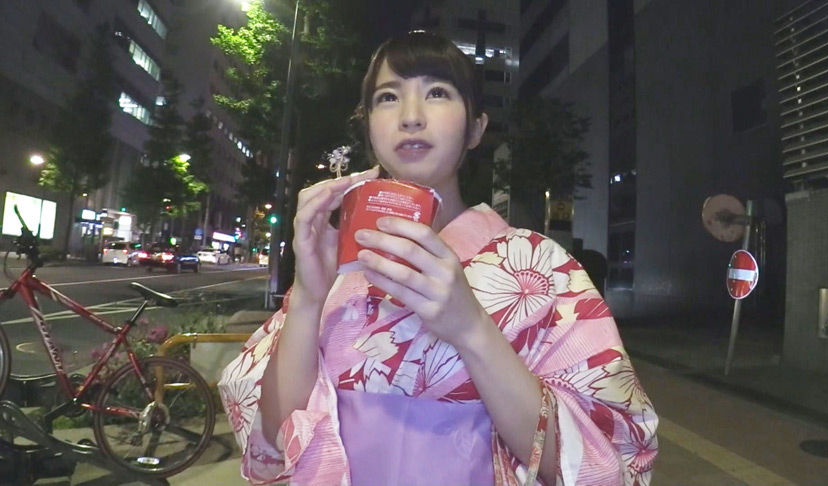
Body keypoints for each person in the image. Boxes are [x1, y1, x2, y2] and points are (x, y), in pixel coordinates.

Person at [219, 31, 658, 486]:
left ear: (476, 129)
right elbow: (276, 441)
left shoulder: (542, 267)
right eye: (388, 98)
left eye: (437, 93)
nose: (410, 116)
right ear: (369, 126)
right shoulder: (337, 269)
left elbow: (602, 464)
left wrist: (471, 328)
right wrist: (309, 297)